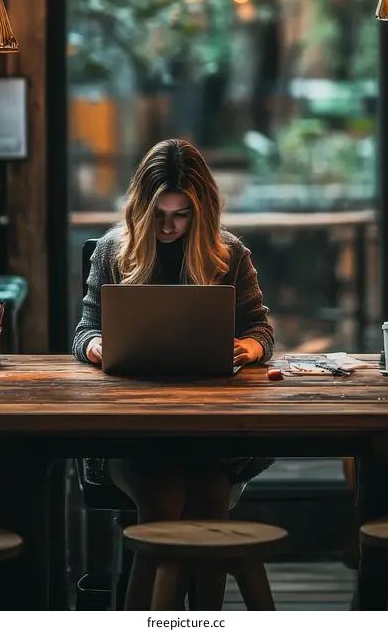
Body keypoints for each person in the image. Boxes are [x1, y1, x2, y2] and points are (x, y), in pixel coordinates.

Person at [72, 138, 274, 610]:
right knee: (163, 497)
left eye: (181, 215)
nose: (168, 227)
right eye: (158, 214)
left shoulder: (229, 254)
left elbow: (261, 328)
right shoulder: (112, 251)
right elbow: (84, 331)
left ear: (200, 212)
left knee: (209, 501)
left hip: (208, 430)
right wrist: (98, 345)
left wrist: (247, 346)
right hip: (130, 433)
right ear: (140, 208)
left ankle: (205, 621)